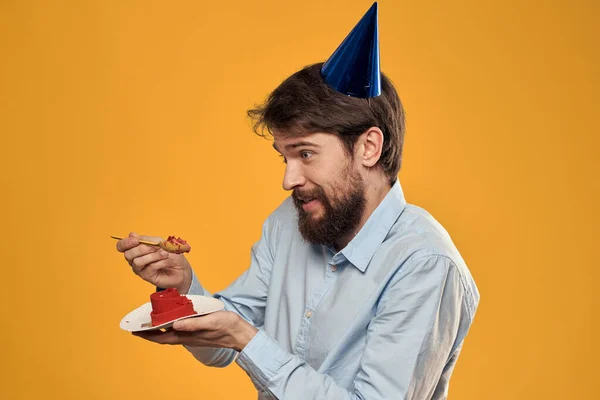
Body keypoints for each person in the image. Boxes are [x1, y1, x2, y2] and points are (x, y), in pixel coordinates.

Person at [116, 4, 479, 399]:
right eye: (283, 157)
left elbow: (244, 338)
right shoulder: (288, 222)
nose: (289, 180)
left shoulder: (424, 264)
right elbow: (222, 346)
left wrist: (248, 340)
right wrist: (185, 288)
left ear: (369, 147)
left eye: (305, 154)